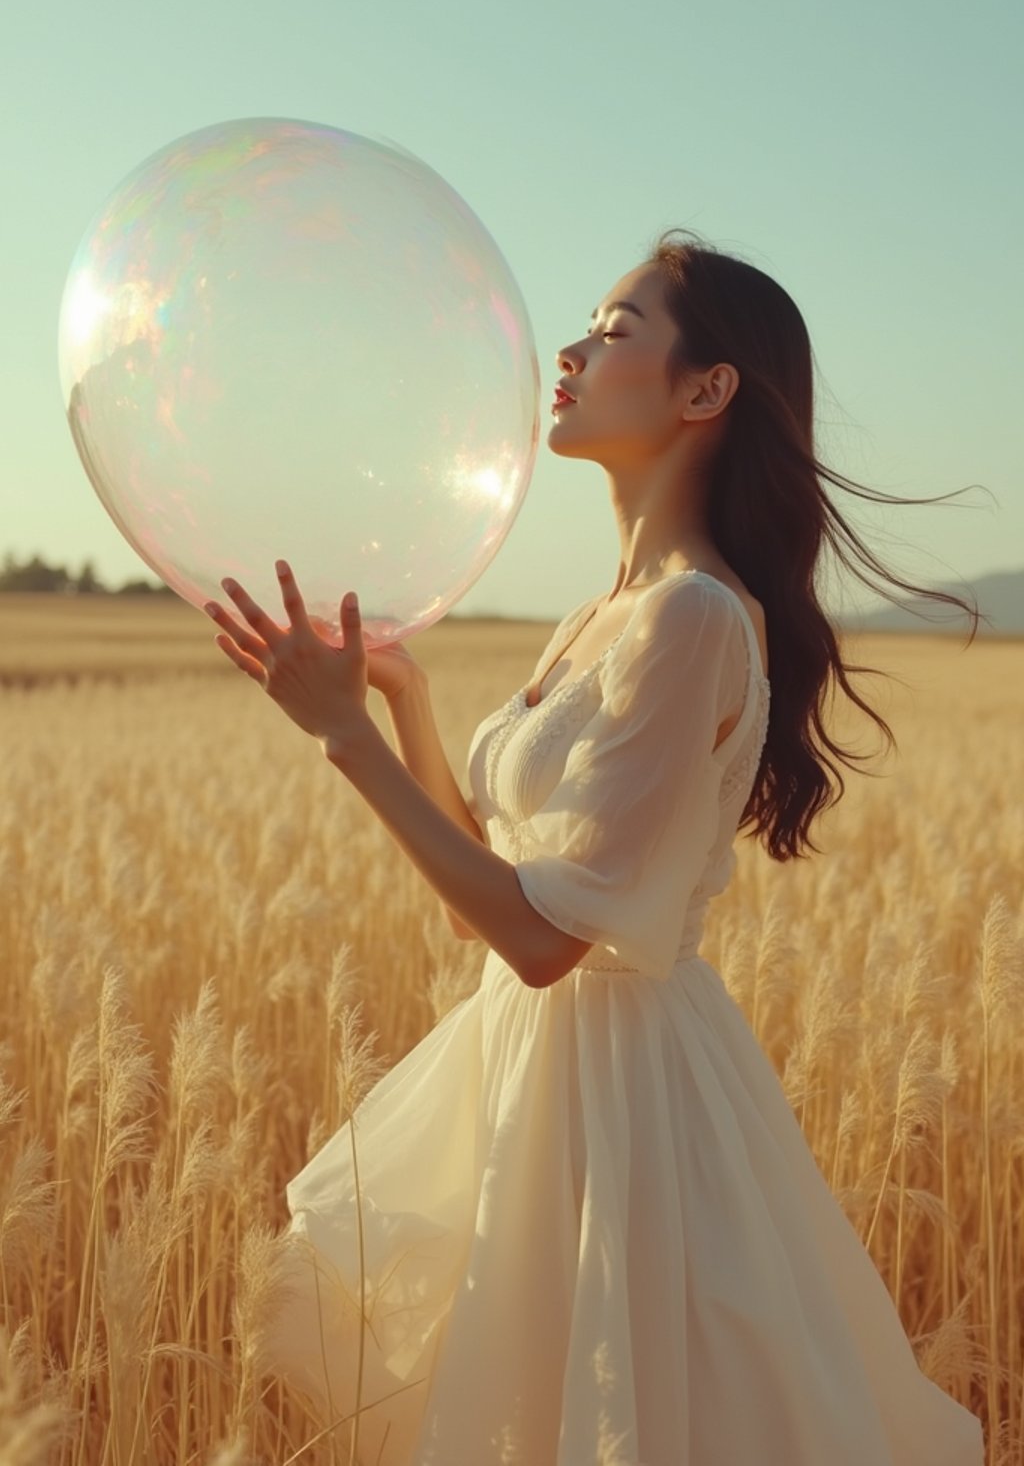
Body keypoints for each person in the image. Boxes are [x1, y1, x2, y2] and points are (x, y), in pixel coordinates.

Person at [206, 229, 986, 1463]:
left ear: (705, 388)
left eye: (616, 330)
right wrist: (399, 703)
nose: (568, 351)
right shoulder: (602, 614)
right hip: (537, 1080)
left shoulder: (690, 618)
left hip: (625, 1106)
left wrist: (344, 739)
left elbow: (539, 942)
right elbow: (487, 907)